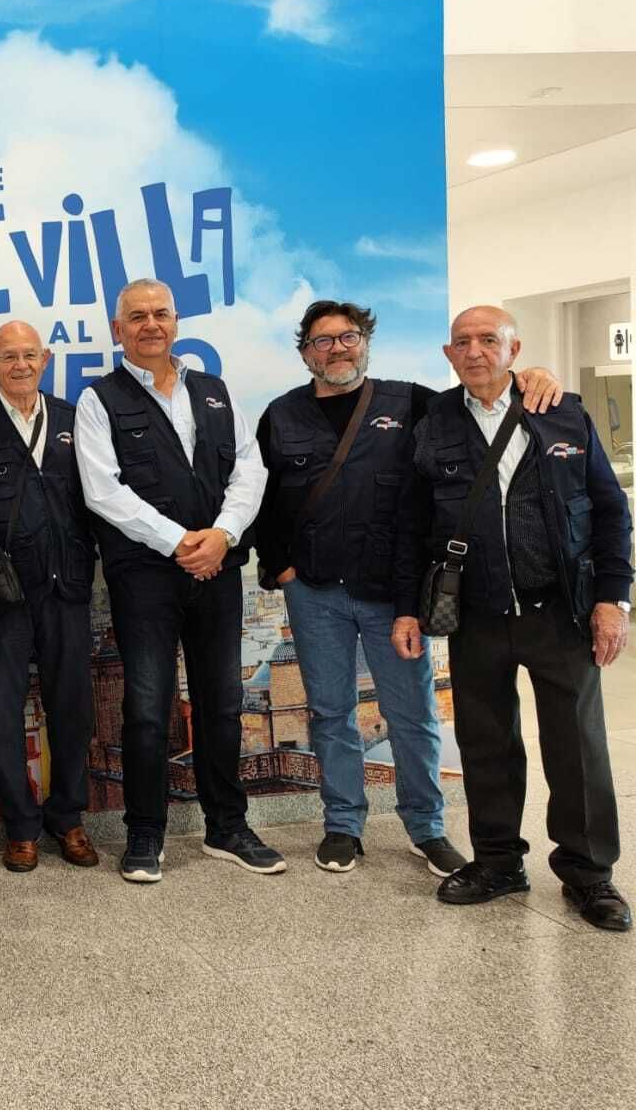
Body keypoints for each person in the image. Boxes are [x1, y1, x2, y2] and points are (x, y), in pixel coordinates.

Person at [256, 299, 562, 877]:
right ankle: (343, 824)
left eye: (348, 337)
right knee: (329, 713)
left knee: (412, 713)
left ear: (365, 344)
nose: (337, 349)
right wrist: (282, 569)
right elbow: (261, 499)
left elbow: (486, 397)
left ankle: (426, 828)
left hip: (391, 596)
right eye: (323, 341)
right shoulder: (280, 414)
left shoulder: (416, 403)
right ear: (305, 354)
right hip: (314, 591)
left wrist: (531, 377)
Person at [393, 305, 632, 932]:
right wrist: (404, 609)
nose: (475, 351)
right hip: (476, 613)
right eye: (462, 342)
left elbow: (610, 512)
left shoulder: (564, 412)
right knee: (486, 743)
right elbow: (411, 530)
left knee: (577, 747)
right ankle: (498, 862)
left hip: (560, 610)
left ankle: (589, 875)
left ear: (513, 348)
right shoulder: (431, 423)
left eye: (489, 340)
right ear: (448, 355)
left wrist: (614, 599)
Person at [76, 278, 284, 883]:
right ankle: (145, 834)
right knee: (146, 707)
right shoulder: (99, 401)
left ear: (176, 321)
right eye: (136, 316)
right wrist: (178, 542)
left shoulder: (215, 392)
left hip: (218, 568)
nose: (150, 325)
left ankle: (227, 827)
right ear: (118, 330)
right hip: (144, 576)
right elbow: (102, 489)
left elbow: (250, 468)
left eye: (160, 314)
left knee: (222, 702)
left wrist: (221, 535)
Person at [0, 320, 100, 873]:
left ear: (44, 360)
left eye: (29, 355)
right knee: (1, 712)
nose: (20, 365)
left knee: (73, 709)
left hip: (67, 587)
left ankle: (68, 818)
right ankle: (19, 826)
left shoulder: (74, 419)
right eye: (7, 356)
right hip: (4, 594)